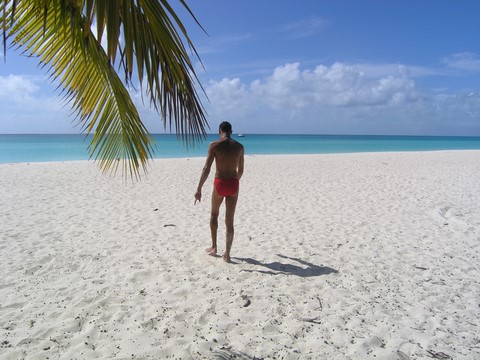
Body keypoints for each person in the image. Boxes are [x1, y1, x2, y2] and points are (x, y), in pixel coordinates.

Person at [194, 121, 244, 263]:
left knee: (214, 214)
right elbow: (240, 170)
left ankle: (214, 247)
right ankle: (227, 255)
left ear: (219, 131)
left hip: (220, 183)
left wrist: (199, 188)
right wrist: (234, 182)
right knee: (230, 221)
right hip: (234, 183)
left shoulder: (214, 145)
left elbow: (206, 169)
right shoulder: (240, 147)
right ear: (231, 131)